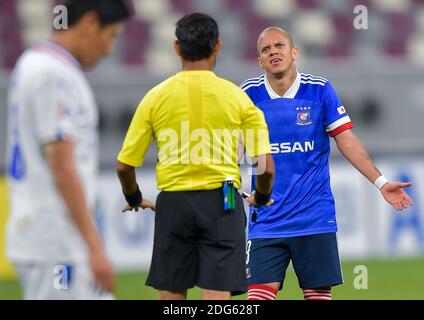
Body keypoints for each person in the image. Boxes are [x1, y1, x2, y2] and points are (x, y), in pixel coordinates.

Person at [241, 27, 414, 300]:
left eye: (280, 45)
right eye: (266, 49)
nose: (273, 51)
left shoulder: (319, 90)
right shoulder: (248, 95)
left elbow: (347, 142)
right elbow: (229, 149)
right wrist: (228, 191)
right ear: (260, 60)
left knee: (317, 294)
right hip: (266, 219)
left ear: (294, 52)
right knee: (258, 296)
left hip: (314, 217)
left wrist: (380, 182)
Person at [116, 13, 275, 300]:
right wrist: (261, 198)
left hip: (173, 203)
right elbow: (265, 168)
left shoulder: (155, 97)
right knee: (216, 297)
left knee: (173, 296)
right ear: (217, 46)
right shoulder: (238, 97)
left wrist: (134, 198)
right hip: (223, 201)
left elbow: (124, 165)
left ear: (177, 48)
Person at [6, 0, 131, 299]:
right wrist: (94, 245)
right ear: (90, 23)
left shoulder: (38, 64)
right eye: (111, 35)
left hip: (56, 241)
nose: (109, 49)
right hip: (57, 245)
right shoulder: (52, 73)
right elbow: (61, 166)